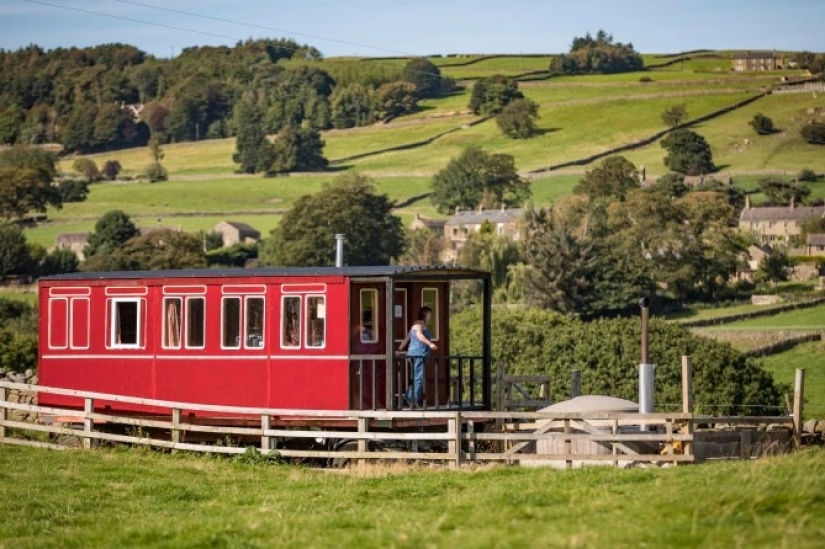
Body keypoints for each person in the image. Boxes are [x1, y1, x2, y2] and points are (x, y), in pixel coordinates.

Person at [397, 306, 437, 407]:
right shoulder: (420, 324)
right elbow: (419, 335)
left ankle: (408, 397)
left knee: (416, 377)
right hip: (419, 353)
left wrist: (399, 349)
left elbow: (407, 338)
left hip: (413, 353)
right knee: (419, 378)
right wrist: (430, 343)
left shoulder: (415, 325)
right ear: (425, 314)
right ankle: (411, 400)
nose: (430, 317)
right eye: (429, 314)